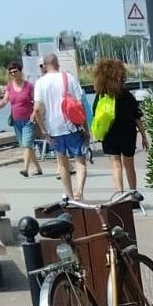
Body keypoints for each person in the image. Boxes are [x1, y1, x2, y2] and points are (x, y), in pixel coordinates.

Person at [33, 53, 90, 201]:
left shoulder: (40, 83)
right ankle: (79, 191)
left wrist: (44, 131)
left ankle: (70, 195)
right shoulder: (69, 78)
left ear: (44, 66)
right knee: (80, 161)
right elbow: (80, 104)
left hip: (53, 129)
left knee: (62, 163)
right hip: (72, 126)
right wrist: (86, 127)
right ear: (57, 63)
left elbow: (37, 109)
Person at [92, 59, 149, 195]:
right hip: (128, 133)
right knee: (129, 165)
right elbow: (137, 116)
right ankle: (134, 194)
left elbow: (95, 114)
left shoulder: (100, 96)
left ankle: (120, 195)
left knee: (115, 166)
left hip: (109, 134)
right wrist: (144, 136)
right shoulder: (126, 95)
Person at [0, 61, 41, 177]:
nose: (13, 74)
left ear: (20, 71)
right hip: (16, 121)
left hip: (29, 120)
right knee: (27, 146)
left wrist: (36, 113)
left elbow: (36, 101)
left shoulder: (29, 86)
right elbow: (6, 99)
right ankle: (38, 169)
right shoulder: (9, 86)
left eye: (15, 71)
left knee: (27, 144)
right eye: (11, 72)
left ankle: (25, 169)